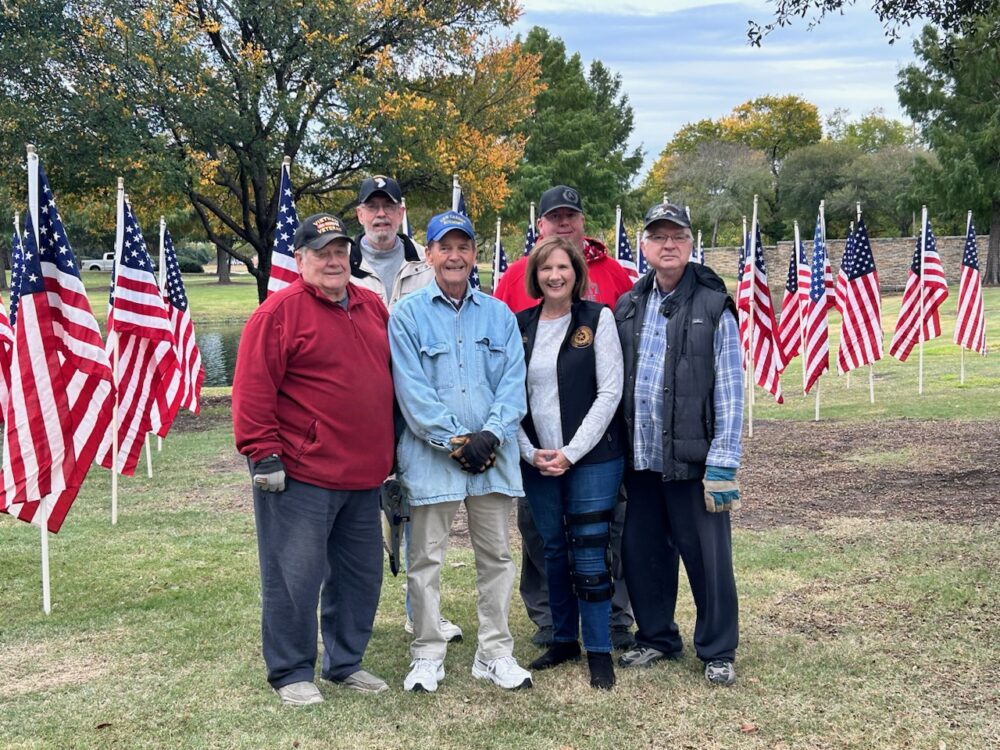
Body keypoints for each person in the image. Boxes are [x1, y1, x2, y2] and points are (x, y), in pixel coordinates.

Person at [233, 213, 395, 705]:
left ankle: (344, 664)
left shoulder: (371, 306)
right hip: (301, 475)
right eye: (321, 252)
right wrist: (263, 456)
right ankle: (290, 671)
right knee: (293, 576)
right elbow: (253, 390)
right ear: (300, 259)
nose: (333, 260)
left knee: (359, 576)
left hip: (365, 475)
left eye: (340, 251)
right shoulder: (277, 313)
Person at [389, 210, 532, 693]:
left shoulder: (499, 314)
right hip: (433, 460)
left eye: (463, 246)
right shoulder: (406, 316)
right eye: (443, 247)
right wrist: (454, 440)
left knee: (496, 556)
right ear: (427, 255)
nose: (454, 256)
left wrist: (490, 436)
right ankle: (427, 653)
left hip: (493, 460)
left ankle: (495, 653)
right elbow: (410, 390)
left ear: (475, 254)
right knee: (426, 559)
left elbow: (515, 383)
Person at [494, 185, 636, 651]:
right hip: (534, 446)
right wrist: (527, 448)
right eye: (555, 217)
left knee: (604, 531)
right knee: (541, 534)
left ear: (581, 221)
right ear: (541, 226)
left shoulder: (614, 275)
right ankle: (552, 622)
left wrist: (577, 450)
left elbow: (616, 370)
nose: (564, 224)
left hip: (595, 445)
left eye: (571, 216)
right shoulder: (515, 279)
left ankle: (612, 618)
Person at [613, 202, 744, 686]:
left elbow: (730, 389)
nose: (668, 245)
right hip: (640, 460)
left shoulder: (713, 305)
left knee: (708, 560)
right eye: (659, 237)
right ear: (644, 245)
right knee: (644, 554)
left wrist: (724, 462)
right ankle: (656, 638)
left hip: (695, 462)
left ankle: (717, 649)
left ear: (691, 244)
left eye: (678, 237)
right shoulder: (628, 304)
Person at [350, 174, 461, 644]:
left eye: (389, 207)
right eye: (371, 207)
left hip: (419, 404)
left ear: (401, 212)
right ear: (359, 215)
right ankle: (352, 617)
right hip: (361, 404)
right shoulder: (341, 264)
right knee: (358, 515)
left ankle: (422, 614)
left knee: (421, 510)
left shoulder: (426, 263)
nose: (381, 215)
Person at [514, 235, 625, 690]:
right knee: (552, 550)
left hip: (592, 458)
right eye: (545, 269)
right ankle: (563, 639)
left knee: (590, 551)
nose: (554, 276)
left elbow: (610, 393)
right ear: (535, 276)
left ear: (576, 273)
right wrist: (528, 450)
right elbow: (507, 397)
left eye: (562, 267)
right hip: (536, 458)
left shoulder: (598, 319)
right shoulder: (519, 325)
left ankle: (599, 650)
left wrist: (571, 452)